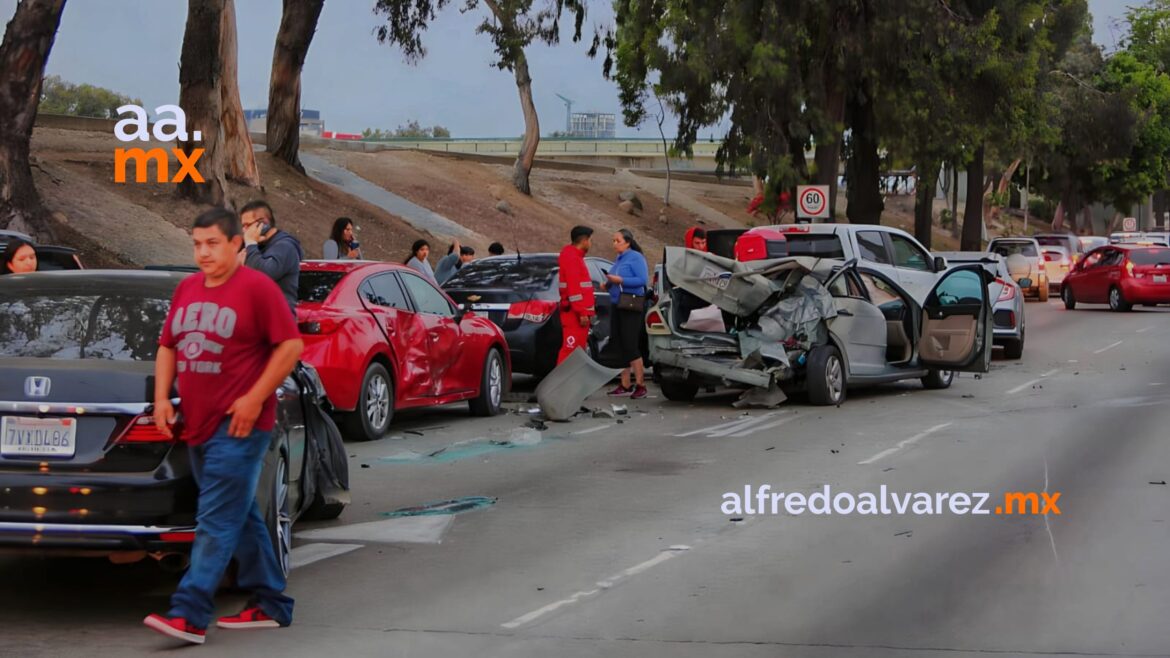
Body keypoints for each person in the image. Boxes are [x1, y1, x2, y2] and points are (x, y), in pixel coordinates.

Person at [143, 208, 303, 646]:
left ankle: (190, 612)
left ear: (237, 244)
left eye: (212, 243)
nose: (202, 252)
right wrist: (162, 398)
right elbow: (167, 347)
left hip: (241, 426)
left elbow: (290, 346)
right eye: (196, 243)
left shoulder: (257, 288)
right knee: (241, 514)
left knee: (214, 518)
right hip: (196, 424)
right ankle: (271, 603)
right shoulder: (187, 288)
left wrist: (254, 398)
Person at [604, 229, 649, 399]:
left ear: (627, 242)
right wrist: (607, 283)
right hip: (617, 304)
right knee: (620, 344)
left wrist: (621, 280)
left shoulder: (636, 257)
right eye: (613, 240)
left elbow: (642, 280)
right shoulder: (619, 259)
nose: (614, 243)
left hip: (630, 304)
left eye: (617, 240)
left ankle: (641, 384)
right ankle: (624, 384)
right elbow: (614, 278)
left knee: (630, 344)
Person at [240, 200, 303, 316]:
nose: (244, 231)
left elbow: (265, 273)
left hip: (279, 322)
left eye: (248, 225)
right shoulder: (255, 247)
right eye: (242, 226)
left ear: (263, 223)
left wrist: (250, 243)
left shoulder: (285, 246)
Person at [557, 226, 596, 364]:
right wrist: (582, 312)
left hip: (575, 313)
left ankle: (572, 383)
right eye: (590, 240)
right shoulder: (572, 258)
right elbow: (574, 289)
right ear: (584, 241)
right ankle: (562, 383)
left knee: (577, 350)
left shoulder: (574, 257)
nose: (591, 243)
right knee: (571, 350)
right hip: (575, 315)